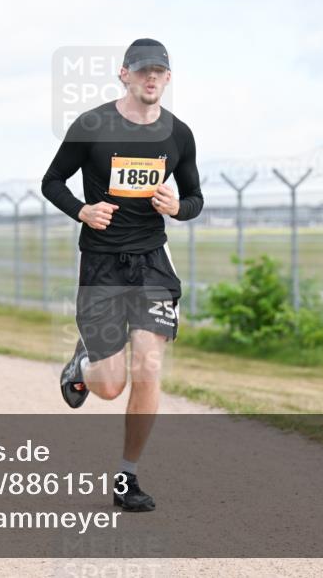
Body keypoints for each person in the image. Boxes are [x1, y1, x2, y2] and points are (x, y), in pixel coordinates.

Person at [41, 39, 203, 512]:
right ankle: (82, 365)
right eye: (142, 70)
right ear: (124, 74)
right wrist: (82, 211)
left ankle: (127, 478)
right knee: (110, 386)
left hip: (152, 261)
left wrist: (180, 207)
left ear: (168, 79)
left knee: (148, 366)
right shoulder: (92, 126)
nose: (151, 78)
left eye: (159, 72)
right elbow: (52, 181)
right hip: (102, 265)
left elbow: (194, 197)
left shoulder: (179, 135)